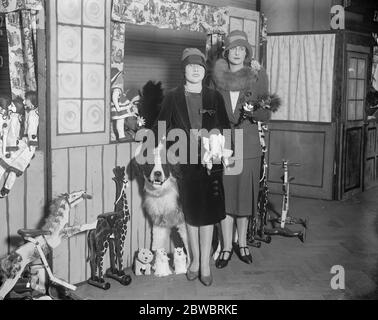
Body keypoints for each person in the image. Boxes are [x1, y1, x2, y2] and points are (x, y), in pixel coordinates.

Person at [154, 48, 230, 286]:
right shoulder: (173, 97)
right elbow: (160, 128)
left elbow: (226, 128)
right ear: (184, 69)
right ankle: (194, 261)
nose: (195, 69)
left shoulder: (214, 98)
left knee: (207, 215)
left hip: (211, 164)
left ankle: (205, 263)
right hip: (185, 166)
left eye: (199, 65)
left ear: (204, 70)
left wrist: (217, 142)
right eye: (190, 65)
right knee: (192, 215)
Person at [211, 30, 272, 268]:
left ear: (246, 53)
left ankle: (243, 244)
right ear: (226, 51)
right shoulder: (217, 78)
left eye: (241, 48)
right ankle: (226, 247)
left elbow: (266, 113)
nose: (237, 52)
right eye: (233, 48)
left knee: (245, 197)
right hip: (224, 144)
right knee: (226, 197)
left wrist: (250, 111)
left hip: (248, 143)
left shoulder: (257, 76)